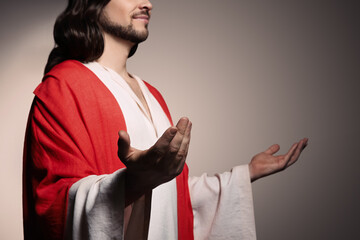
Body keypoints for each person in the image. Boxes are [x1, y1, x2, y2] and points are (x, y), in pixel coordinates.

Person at [23, 0, 308, 239]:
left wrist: (243, 175)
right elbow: (51, 203)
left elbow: (171, 199)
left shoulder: (152, 94)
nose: (148, 3)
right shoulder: (65, 85)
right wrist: (133, 183)